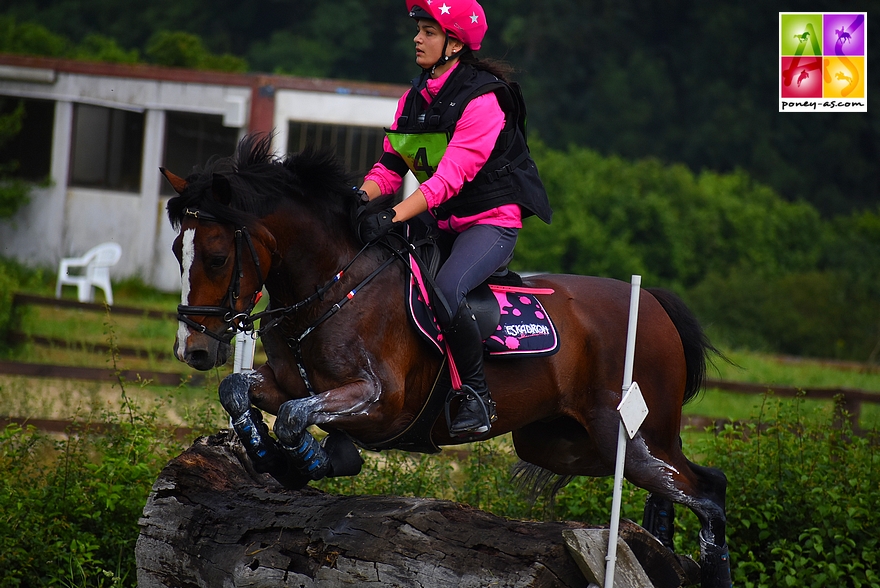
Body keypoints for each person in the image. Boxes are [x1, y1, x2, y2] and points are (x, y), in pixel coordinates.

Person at [358, 0, 552, 436]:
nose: (417, 39)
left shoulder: (484, 100)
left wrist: (391, 216)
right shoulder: (413, 98)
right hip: (440, 221)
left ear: (454, 42)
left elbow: (448, 180)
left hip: (490, 223)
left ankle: (476, 397)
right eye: (419, 31)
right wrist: (357, 198)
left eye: (428, 31)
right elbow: (390, 168)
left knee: (446, 290)